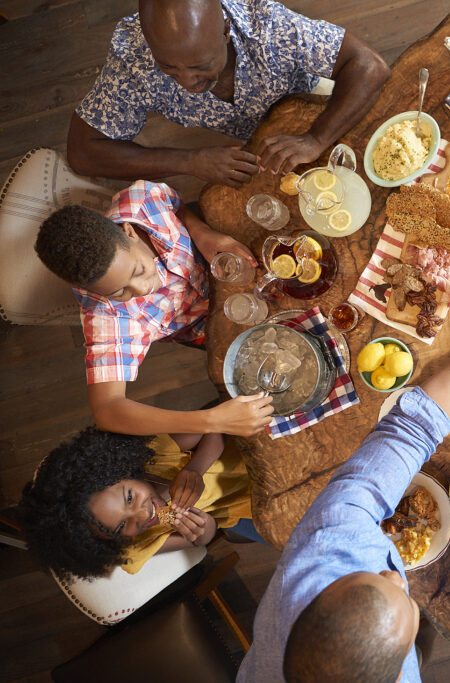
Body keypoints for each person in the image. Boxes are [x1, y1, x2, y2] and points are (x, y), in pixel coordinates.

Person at [238, 277, 450, 683]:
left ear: (315, 597)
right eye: (406, 603)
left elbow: (411, 430)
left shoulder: (326, 546)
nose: (395, 574)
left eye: (370, 577)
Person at [34, 180, 274, 436]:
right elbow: (107, 409)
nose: (142, 289)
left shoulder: (142, 199)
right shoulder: (106, 316)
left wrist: (200, 232)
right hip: (209, 329)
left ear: (129, 232)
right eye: (119, 292)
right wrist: (212, 421)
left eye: (137, 270)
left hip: (230, 268)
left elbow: (177, 204)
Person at [67, 0, 389, 187]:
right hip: (249, 144)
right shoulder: (132, 55)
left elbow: (370, 66)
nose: (187, 82)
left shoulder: (267, 25)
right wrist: (189, 161)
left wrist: (315, 138)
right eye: (168, 67)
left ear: (225, 31)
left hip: (311, 107)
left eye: (200, 65)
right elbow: (83, 151)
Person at [19, 427, 259, 580]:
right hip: (250, 509)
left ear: (119, 470)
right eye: (124, 525)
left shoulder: (154, 456)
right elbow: (199, 539)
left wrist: (195, 468)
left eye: (130, 498)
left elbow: (212, 430)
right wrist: (204, 527)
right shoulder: (137, 545)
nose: (143, 514)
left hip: (251, 454)